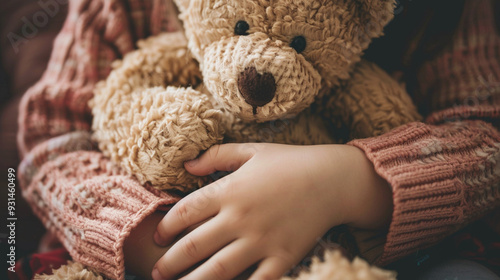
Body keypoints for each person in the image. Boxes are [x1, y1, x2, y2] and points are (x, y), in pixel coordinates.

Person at [16, 0, 500, 280]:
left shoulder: (441, 15)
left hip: (375, 255)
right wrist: (150, 237)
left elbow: (485, 136)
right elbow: (52, 142)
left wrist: (348, 182)